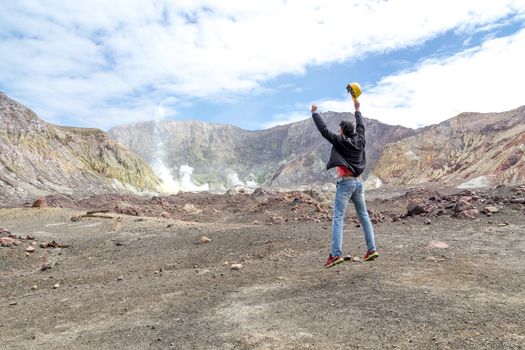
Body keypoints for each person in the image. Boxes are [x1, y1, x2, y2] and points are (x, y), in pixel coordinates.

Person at [311, 91, 378, 268]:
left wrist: (315, 113)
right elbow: (361, 125)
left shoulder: (340, 141)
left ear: (341, 131)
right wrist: (357, 109)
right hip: (359, 183)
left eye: (339, 130)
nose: (338, 131)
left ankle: (335, 254)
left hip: (345, 183)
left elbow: (324, 131)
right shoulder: (360, 139)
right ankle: (372, 249)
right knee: (364, 216)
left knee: (339, 218)